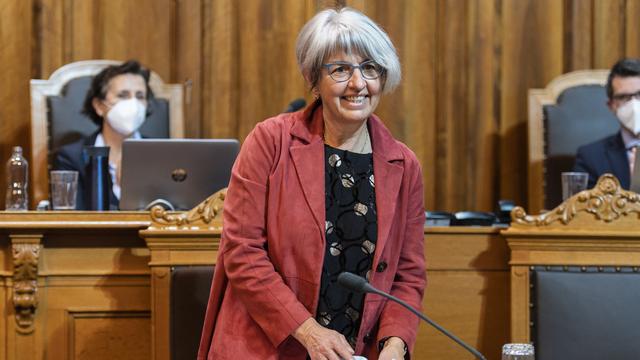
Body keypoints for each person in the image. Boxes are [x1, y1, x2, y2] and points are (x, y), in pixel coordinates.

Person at [198, 7, 426, 360]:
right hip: (267, 347)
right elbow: (242, 251)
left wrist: (395, 344)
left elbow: (407, 275)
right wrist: (308, 332)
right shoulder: (271, 141)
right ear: (313, 79)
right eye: (340, 70)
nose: (358, 84)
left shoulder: (404, 164)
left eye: (370, 68)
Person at [53, 60, 153, 210]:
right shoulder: (72, 157)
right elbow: (70, 219)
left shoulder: (163, 153)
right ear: (99, 106)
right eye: (123, 95)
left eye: (140, 96)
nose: (133, 104)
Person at [574, 58, 640, 190]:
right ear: (611, 106)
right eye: (623, 97)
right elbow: (582, 208)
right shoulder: (590, 157)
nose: (634, 104)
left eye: (639, 94)